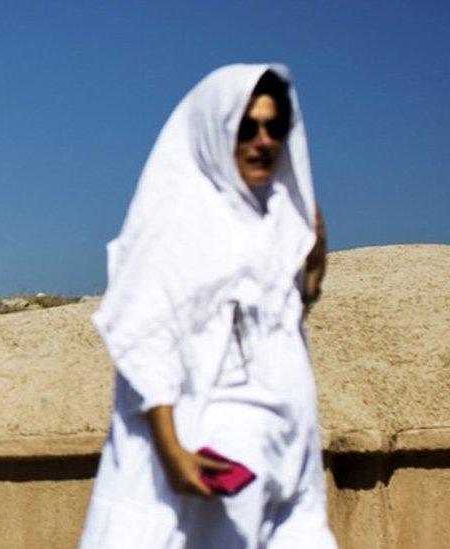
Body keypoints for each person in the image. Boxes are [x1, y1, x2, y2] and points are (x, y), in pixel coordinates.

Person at [79, 65, 335, 548]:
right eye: (247, 127)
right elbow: (144, 331)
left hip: (285, 455)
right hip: (207, 465)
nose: (263, 141)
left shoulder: (279, 220)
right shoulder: (178, 221)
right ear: (217, 130)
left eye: (274, 127)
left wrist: (312, 272)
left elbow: (272, 329)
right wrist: (173, 450)